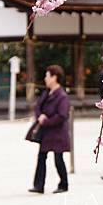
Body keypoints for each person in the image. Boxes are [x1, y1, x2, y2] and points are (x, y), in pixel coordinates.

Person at [29, 65, 70, 194]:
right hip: (46, 132)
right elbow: (37, 107)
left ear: (54, 77)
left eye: (47, 76)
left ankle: (64, 184)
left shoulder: (62, 96)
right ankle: (39, 185)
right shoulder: (46, 93)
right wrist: (39, 116)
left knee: (58, 158)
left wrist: (46, 121)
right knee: (41, 157)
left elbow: (62, 116)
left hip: (58, 132)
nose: (45, 78)